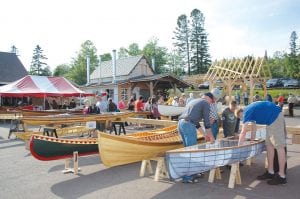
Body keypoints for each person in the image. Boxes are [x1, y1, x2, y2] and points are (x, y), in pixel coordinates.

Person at [238, 101, 287, 185]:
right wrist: (252, 140)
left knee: (279, 146)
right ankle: (270, 171)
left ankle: (282, 176)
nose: (243, 120)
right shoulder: (250, 112)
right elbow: (254, 129)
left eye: (240, 118)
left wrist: (239, 147)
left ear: (240, 113)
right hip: (270, 120)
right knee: (269, 145)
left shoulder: (246, 112)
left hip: (275, 117)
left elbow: (243, 132)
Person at [178, 92, 216, 183]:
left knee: (188, 151)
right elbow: (207, 122)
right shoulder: (205, 103)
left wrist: (205, 135)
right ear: (208, 98)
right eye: (212, 101)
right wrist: (211, 137)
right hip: (188, 125)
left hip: (181, 124)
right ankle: (187, 177)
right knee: (191, 152)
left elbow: (196, 123)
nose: (211, 103)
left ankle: (192, 173)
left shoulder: (194, 101)